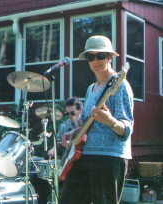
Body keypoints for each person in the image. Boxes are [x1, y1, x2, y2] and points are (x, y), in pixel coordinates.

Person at [59, 35, 134, 203]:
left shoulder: (120, 84)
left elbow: (127, 128)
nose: (95, 60)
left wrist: (110, 121)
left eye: (100, 55)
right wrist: (74, 133)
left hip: (109, 158)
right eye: (90, 56)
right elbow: (88, 124)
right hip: (83, 156)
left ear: (109, 57)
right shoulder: (90, 89)